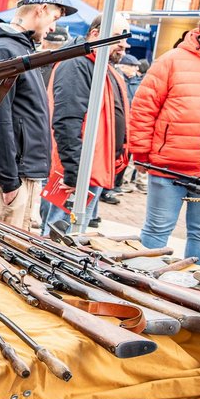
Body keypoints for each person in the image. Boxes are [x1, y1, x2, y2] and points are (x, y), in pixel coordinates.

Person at [0, 0, 75, 230]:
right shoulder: (4, 48)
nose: (53, 28)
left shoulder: (18, 48)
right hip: (8, 179)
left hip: (19, 174)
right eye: (54, 18)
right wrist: (9, 181)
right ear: (41, 9)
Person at [130, 5, 200, 267]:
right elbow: (144, 108)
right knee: (157, 230)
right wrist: (141, 153)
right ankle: (142, 280)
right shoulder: (171, 61)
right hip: (167, 167)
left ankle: (196, 285)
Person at [42, 14, 131, 235]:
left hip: (90, 167)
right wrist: (74, 172)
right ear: (95, 34)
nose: (123, 45)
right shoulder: (77, 63)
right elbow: (66, 121)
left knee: (72, 233)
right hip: (77, 169)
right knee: (59, 233)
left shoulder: (99, 65)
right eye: (118, 37)